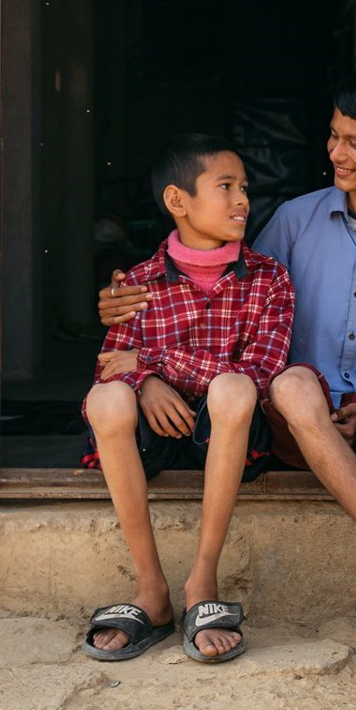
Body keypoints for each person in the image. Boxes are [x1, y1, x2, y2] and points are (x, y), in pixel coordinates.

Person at [98, 61, 356, 700]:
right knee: (295, 384)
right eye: (333, 136)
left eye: (354, 142)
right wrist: (125, 310)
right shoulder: (295, 222)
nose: (336, 153)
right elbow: (227, 297)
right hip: (298, 416)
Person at [80, 133, 296, 665]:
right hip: (156, 442)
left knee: (233, 387)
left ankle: (203, 580)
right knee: (106, 400)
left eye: (244, 187)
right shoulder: (138, 283)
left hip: (228, 440)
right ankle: (151, 591)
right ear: (178, 201)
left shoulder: (268, 280)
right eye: (226, 186)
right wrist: (144, 382)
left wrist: (156, 365)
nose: (243, 199)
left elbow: (260, 374)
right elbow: (112, 365)